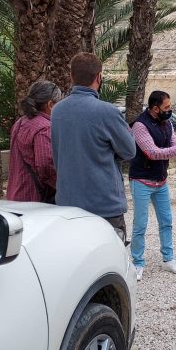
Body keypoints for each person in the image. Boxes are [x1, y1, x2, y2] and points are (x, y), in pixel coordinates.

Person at [50, 52, 136, 242]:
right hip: (104, 205)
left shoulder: (57, 111)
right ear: (98, 77)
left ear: (71, 77)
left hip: (68, 204)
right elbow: (129, 151)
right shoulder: (108, 112)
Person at [128, 90, 176, 281]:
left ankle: (168, 259)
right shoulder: (140, 125)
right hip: (141, 180)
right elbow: (152, 152)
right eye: (166, 107)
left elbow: (174, 143)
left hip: (161, 180)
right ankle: (137, 262)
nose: (169, 110)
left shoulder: (167, 123)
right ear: (155, 108)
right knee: (140, 224)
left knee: (166, 221)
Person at [6, 80, 61, 202]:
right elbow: (46, 166)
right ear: (50, 104)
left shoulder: (20, 122)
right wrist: (62, 186)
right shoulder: (45, 127)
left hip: (15, 194)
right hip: (34, 199)